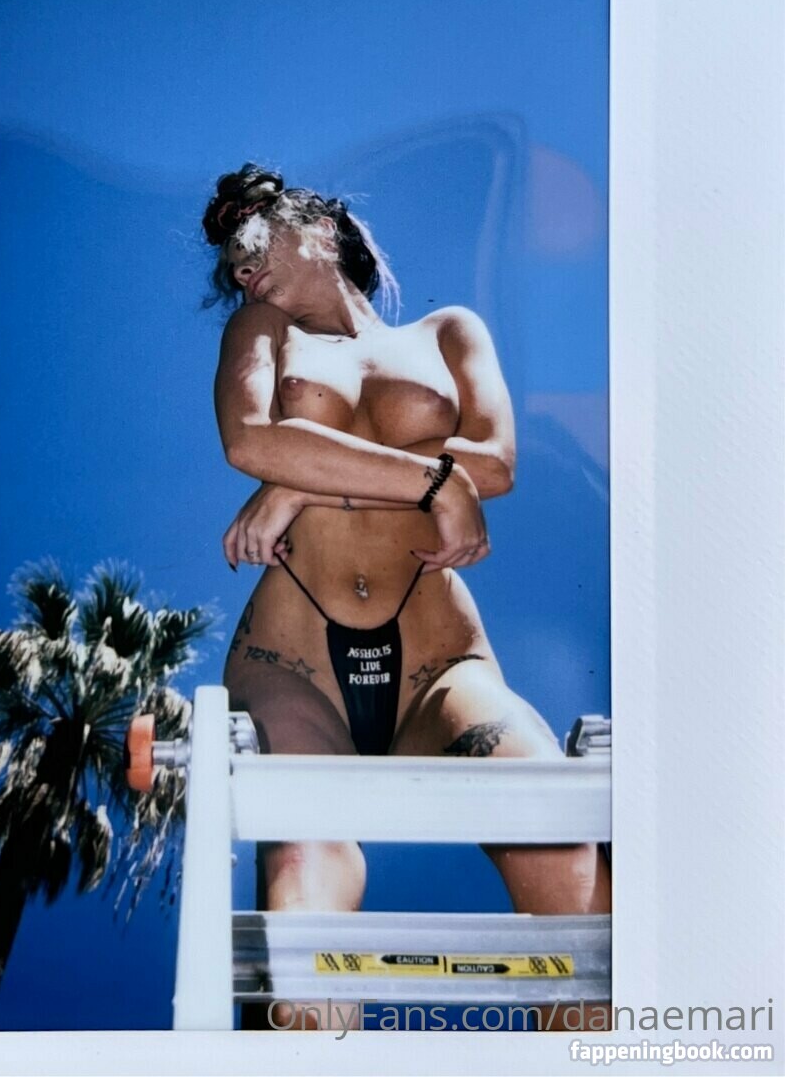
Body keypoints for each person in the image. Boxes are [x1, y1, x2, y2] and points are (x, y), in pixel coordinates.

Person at [203, 164, 610, 1029]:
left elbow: (496, 462)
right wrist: (430, 477)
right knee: (305, 863)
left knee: (556, 829)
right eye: (229, 259)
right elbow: (249, 442)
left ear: (320, 227)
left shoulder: (447, 331)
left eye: (252, 237)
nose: (239, 266)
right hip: (294, 660)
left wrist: (300, 480)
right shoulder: (261, 328)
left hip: (439, 661)